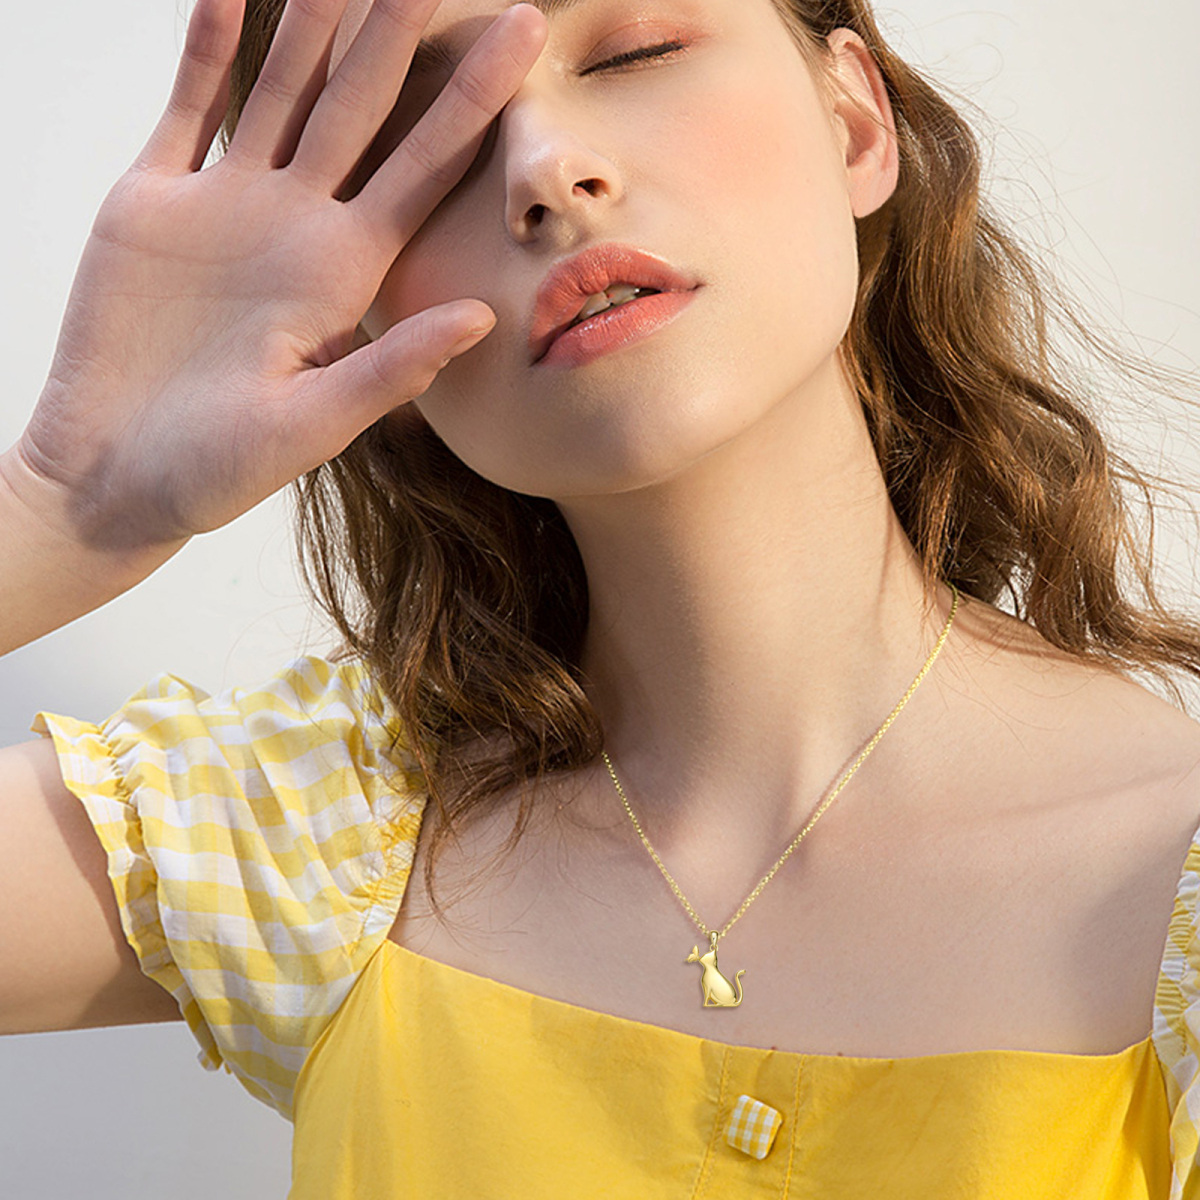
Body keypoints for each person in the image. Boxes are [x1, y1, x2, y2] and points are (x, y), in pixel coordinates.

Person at [2, 0, 1199, 1193]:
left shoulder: (1172, 879)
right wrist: (61, 510)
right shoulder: (313, 837)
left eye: (635, 52)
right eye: (433, 129)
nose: (544, 170)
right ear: (357, 310)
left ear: (853, 124)